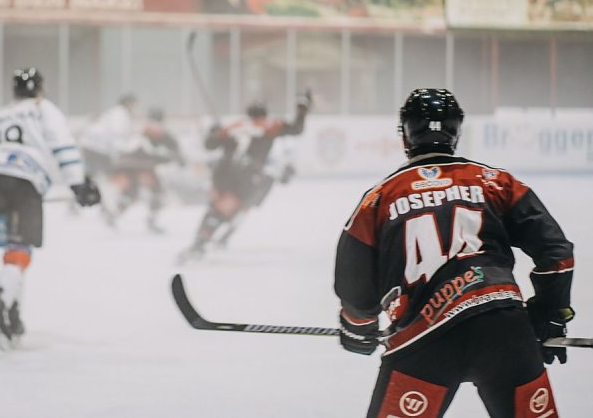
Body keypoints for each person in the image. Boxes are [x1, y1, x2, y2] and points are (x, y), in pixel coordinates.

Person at [334, 88, 574, 417]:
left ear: (405, 135)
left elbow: (354, 281)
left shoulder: (380, 198)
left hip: (424, 339)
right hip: (504, 330)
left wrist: (358, 326)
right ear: (456, 133)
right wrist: (550, 314)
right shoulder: (495, 182)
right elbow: (557, 255)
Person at [0, 67, 101, 349]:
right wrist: (77, 183)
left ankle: (12, 315)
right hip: (24, 181)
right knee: (20, 249)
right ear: (39, 89)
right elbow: (62, 145)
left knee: (13, 251)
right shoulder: (43, 109)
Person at [178, 91, 311, 262]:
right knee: (233, 209)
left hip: (223, 172)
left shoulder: (234, 126)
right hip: (247, 174)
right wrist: (302, 109)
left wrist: (216, 132)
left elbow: (209, 144)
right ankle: (206, 242)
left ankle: (201, 241)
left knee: (217, 208)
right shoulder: (270, 125)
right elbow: (297, 129)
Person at [100, 107, 185, 233]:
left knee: (130, 192)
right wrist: (177, 158)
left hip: (126, 166)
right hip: (143, 166)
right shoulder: (158, 130)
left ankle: (114, 214)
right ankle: (151, 221)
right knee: (156, 191)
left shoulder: (140, 129)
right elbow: (167, 149)